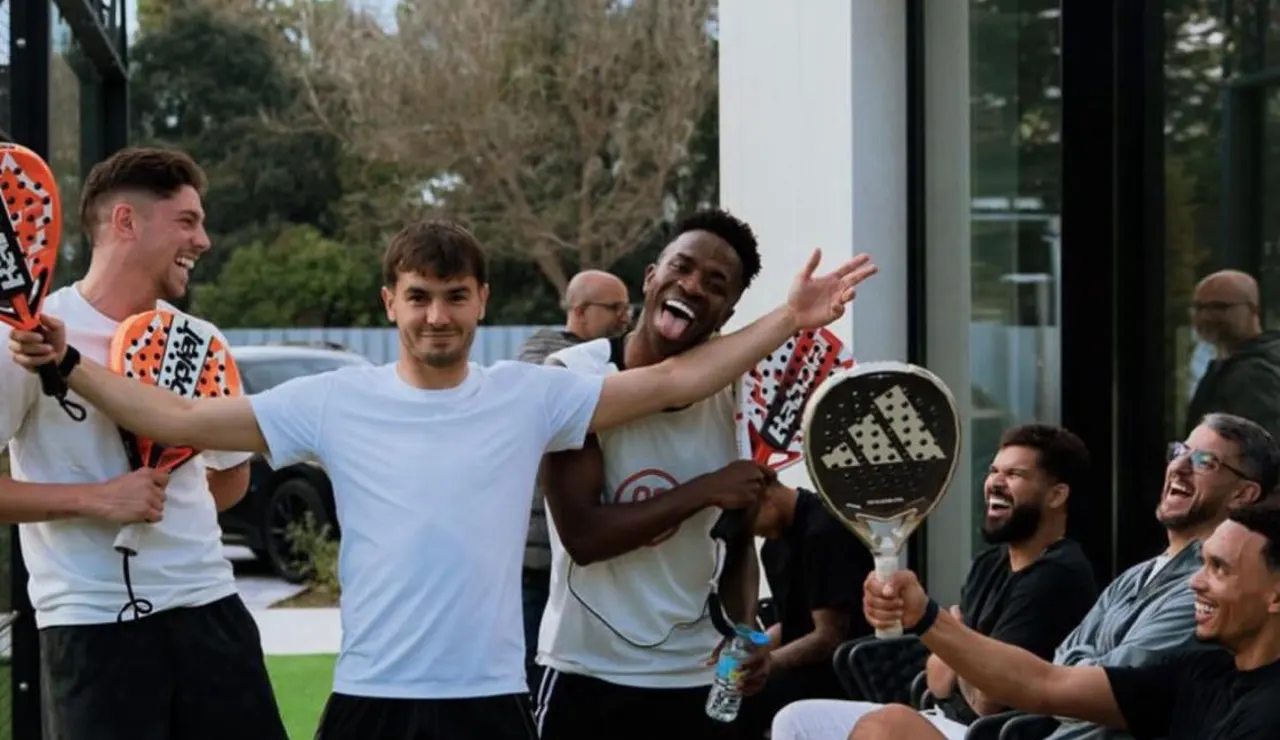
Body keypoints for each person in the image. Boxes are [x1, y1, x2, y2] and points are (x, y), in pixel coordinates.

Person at [7, 219, 878, 740]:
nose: (437, 315)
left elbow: (677, 380)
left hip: (488, 702)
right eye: (419, 296)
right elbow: (179, 421)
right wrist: (65, 366)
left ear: (482, 302)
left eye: (455, 297)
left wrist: (789, 319)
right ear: (389, 300)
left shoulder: (532, 397)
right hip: (369, 698)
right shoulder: (333, 401)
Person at [0, 147, 287, 739]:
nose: (203, 240)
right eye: (187, 220)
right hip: (91, 627)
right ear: (126, 221)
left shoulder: (200, 339)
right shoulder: (26, 337)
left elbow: (231, 477)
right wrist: (98, 500)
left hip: (213, 612)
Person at [532, 210, 776, 740]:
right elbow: (583, 537)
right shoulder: (574, 378)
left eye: (715, 284)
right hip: (587, 671)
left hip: (699, 675)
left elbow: (738, 545)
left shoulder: (736, 399)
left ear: (729, 311)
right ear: (650, 276)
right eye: (681, 267)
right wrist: (705, 490)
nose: (691, 285)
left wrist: (745, 632)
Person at [771, 424, 1099, 740]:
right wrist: (960, 643)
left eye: (1014, 475)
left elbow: (986, 702)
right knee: (796, 719)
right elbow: (938, 680)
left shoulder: (1057, 574)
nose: (995, 482)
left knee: (885, 726)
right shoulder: (990, 563)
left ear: (1056, 496)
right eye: (993, 470)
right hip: (943, 717)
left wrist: (956, 638)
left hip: (988, 732)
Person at [855, 502, 1280, 740]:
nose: (1196, 583)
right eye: (1201, 565)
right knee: (887, 728)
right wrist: (924, 616)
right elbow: (1042, 684)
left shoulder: (1267, 713)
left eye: (1219, 569)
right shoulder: (1202, 671)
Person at [1041, 412, 1280, 740]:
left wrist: (1079, 674)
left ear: (1244, 494)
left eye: (1204, 461)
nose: (1179, 467)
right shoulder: (1135, 575)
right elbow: (1057, 674)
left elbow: (1087, 694)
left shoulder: (1206, 592)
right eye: (1180, 451)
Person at [516, 269, 631, 692]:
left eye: (627, 307)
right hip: (538, 558)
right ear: (579, 311)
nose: (625, 317)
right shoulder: (548, 359)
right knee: (533, 673)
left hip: (577, 556)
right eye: (614, 308)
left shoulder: (603, 361)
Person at [734, 480, 874, 739]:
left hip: (845, 672)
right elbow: (791, 622)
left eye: (749, 521)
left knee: (742, 704)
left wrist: (766, 664)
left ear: (766, 498)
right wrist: (752, 646)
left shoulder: (825, 531)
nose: (753, 532)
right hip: (805, 665)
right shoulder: (774, 546)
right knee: (724, 687)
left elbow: (829, 637)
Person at [1187, 269, 1280, 441]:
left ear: (1253, 309)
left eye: (1220, 307)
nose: (1206, 316)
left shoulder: (1255, 372)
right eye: (1199, 307)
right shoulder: (1231, 364)